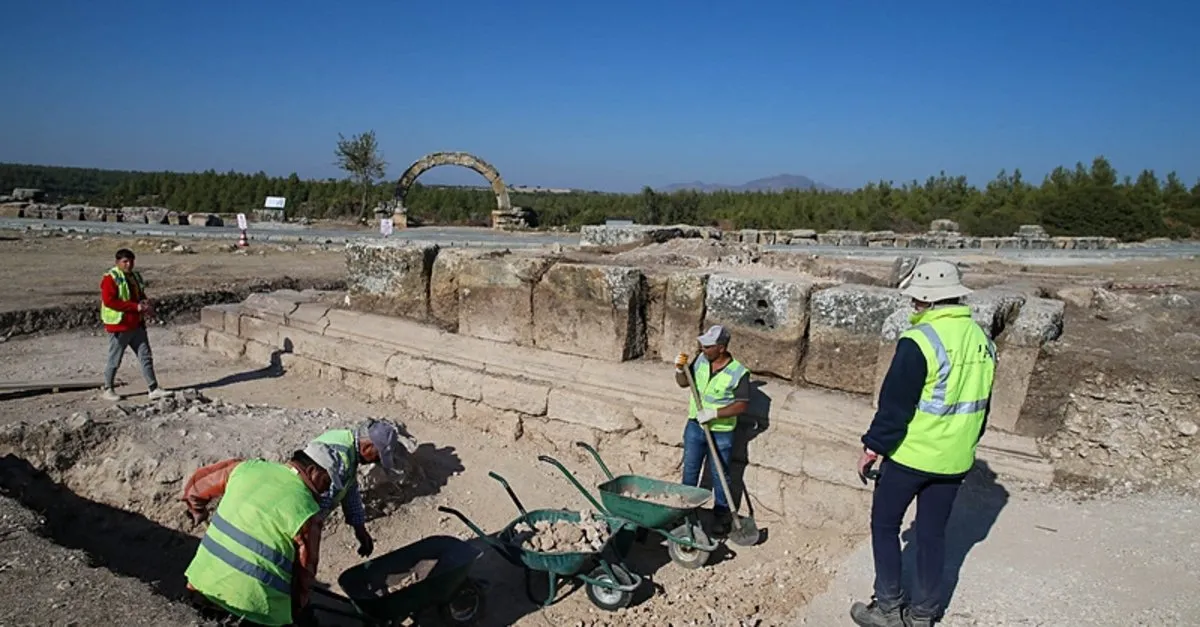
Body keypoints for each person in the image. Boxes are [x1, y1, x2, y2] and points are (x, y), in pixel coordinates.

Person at [850, 260, 997, 627]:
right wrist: (966, 444)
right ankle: (923, 615)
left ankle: (887, 608)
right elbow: (982, 406)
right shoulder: (983, 341)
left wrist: (873, 447)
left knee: (885, 526)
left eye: (917, 299)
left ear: (926, 300)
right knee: (932, 535)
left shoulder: (920, 341)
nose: (914, 305)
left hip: (911, 455)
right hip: (954, 460)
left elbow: (895, 405)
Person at [181, 449, 335, 627]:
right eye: (327, 481)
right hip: (255, 610)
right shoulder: (308, 512)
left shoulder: (246, 468)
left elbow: (197, 486)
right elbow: (305, 574)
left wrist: (197, 509)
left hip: (202, 585)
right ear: (312, 471)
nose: (326, 490)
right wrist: (295, 612)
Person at [673, 324, 751, 536]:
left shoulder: (739, 372)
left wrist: (714, 413)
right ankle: (686, 513)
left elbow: (742, 405)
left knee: (720, 475)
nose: (703, 348)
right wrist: (680, 371)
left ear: (722, 348)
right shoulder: (700, 361)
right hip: (695, 426)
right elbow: (683, 383)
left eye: (708, 346)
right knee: (690, 470)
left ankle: (721, 516)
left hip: (721, 431)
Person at [302, 419, 412, 558]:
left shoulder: (348, 449)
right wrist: (309, 546)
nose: (375, 461)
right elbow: (317, 511)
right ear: (367, 447)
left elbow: (349, 490)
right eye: (377, 456)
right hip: (298, 517)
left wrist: (360, 529)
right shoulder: (340, 457)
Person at [99, 248, 169, 401]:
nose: (129, 264)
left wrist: (146, 305)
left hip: (136, 324)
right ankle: (108, 388)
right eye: (125, 261)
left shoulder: (135, 277)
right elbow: (110, 301)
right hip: (120, 326)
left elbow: (140, 294)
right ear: (117, 262)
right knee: (115, 359)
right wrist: (135, 307)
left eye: (131, 261)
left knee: (146, 356)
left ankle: (153, 388)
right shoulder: (110, 278)